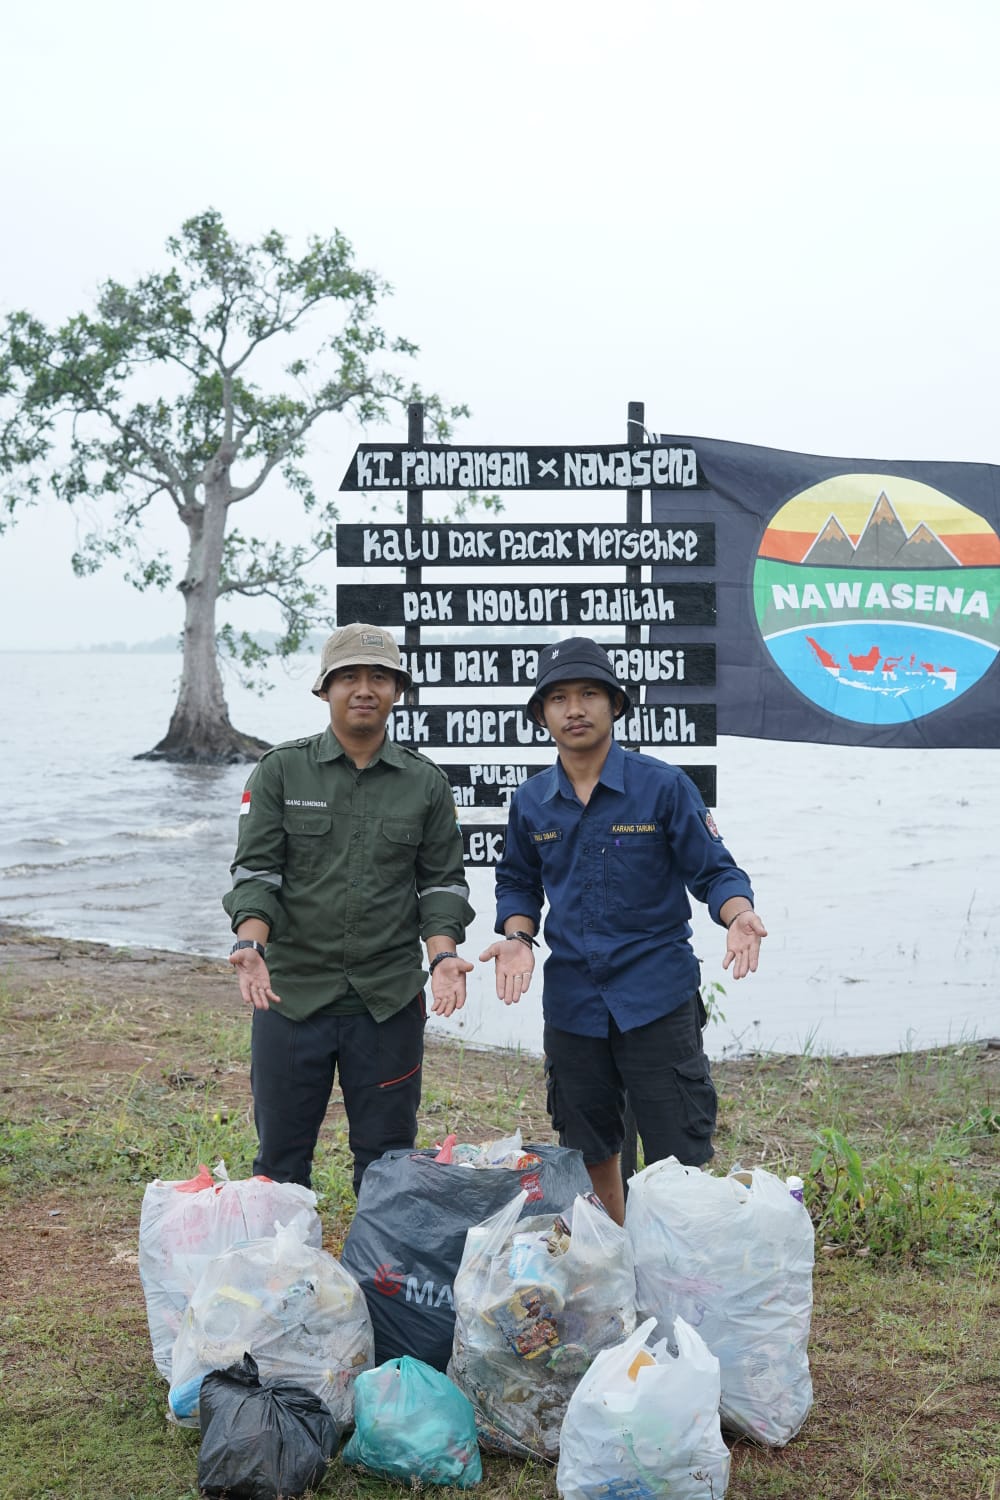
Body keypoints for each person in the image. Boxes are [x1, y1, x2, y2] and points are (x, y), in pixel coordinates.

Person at [480, 637, 767, 1223]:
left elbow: (714, 869)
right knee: (590, 1146)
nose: (575, 709)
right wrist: (517, 935)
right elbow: (516, 881)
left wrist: (739, 914)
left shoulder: (662, 786)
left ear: (615, 705)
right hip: (574, 1001)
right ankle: (613, 1261)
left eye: (589, 694)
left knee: (677, 1151)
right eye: (558, 698)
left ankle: (677, 1271)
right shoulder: (532, 801)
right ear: (542, 716)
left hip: (656, 994)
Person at [224, 622, 474, 1195]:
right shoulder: (281, 771)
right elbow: (257, 873)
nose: (365, 689)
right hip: (291, 996)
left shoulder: (426, 783)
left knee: (388, 1164)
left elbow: (441, 886)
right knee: (280, 1162)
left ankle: (381, 1281)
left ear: (397, 692)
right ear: (325, 690)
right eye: (350, 677)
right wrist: (250, 945)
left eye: (380, 677)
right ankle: (284, 1275)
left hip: (386, 1000)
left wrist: (442, 958)